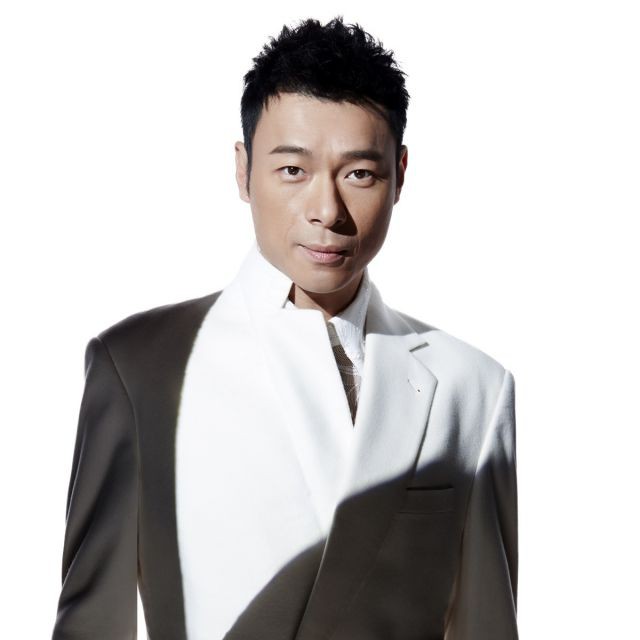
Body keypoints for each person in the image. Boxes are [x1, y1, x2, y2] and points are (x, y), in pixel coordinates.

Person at [51, 16, 518, 640]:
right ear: (243, 170)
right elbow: (91, 625)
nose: (327, 211)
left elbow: (488, 626)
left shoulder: (472, 386)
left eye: (359, 173)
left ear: (400, 174)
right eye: (293, 170)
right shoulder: (140, 367)